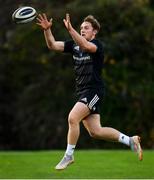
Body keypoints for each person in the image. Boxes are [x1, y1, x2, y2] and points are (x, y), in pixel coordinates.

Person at [36, 13, 143, 170]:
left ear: (95, 32)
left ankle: (69, 156)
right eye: (81, 28)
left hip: (94, 91)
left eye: (86, 28)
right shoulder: (74, 45)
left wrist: (71, 30)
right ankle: (130, 140)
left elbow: (86, 46)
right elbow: (52, 45)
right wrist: (47, 30)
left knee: (73, 118)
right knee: (96, 132)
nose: (82, 30)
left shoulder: (97, 45)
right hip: (82, 92)